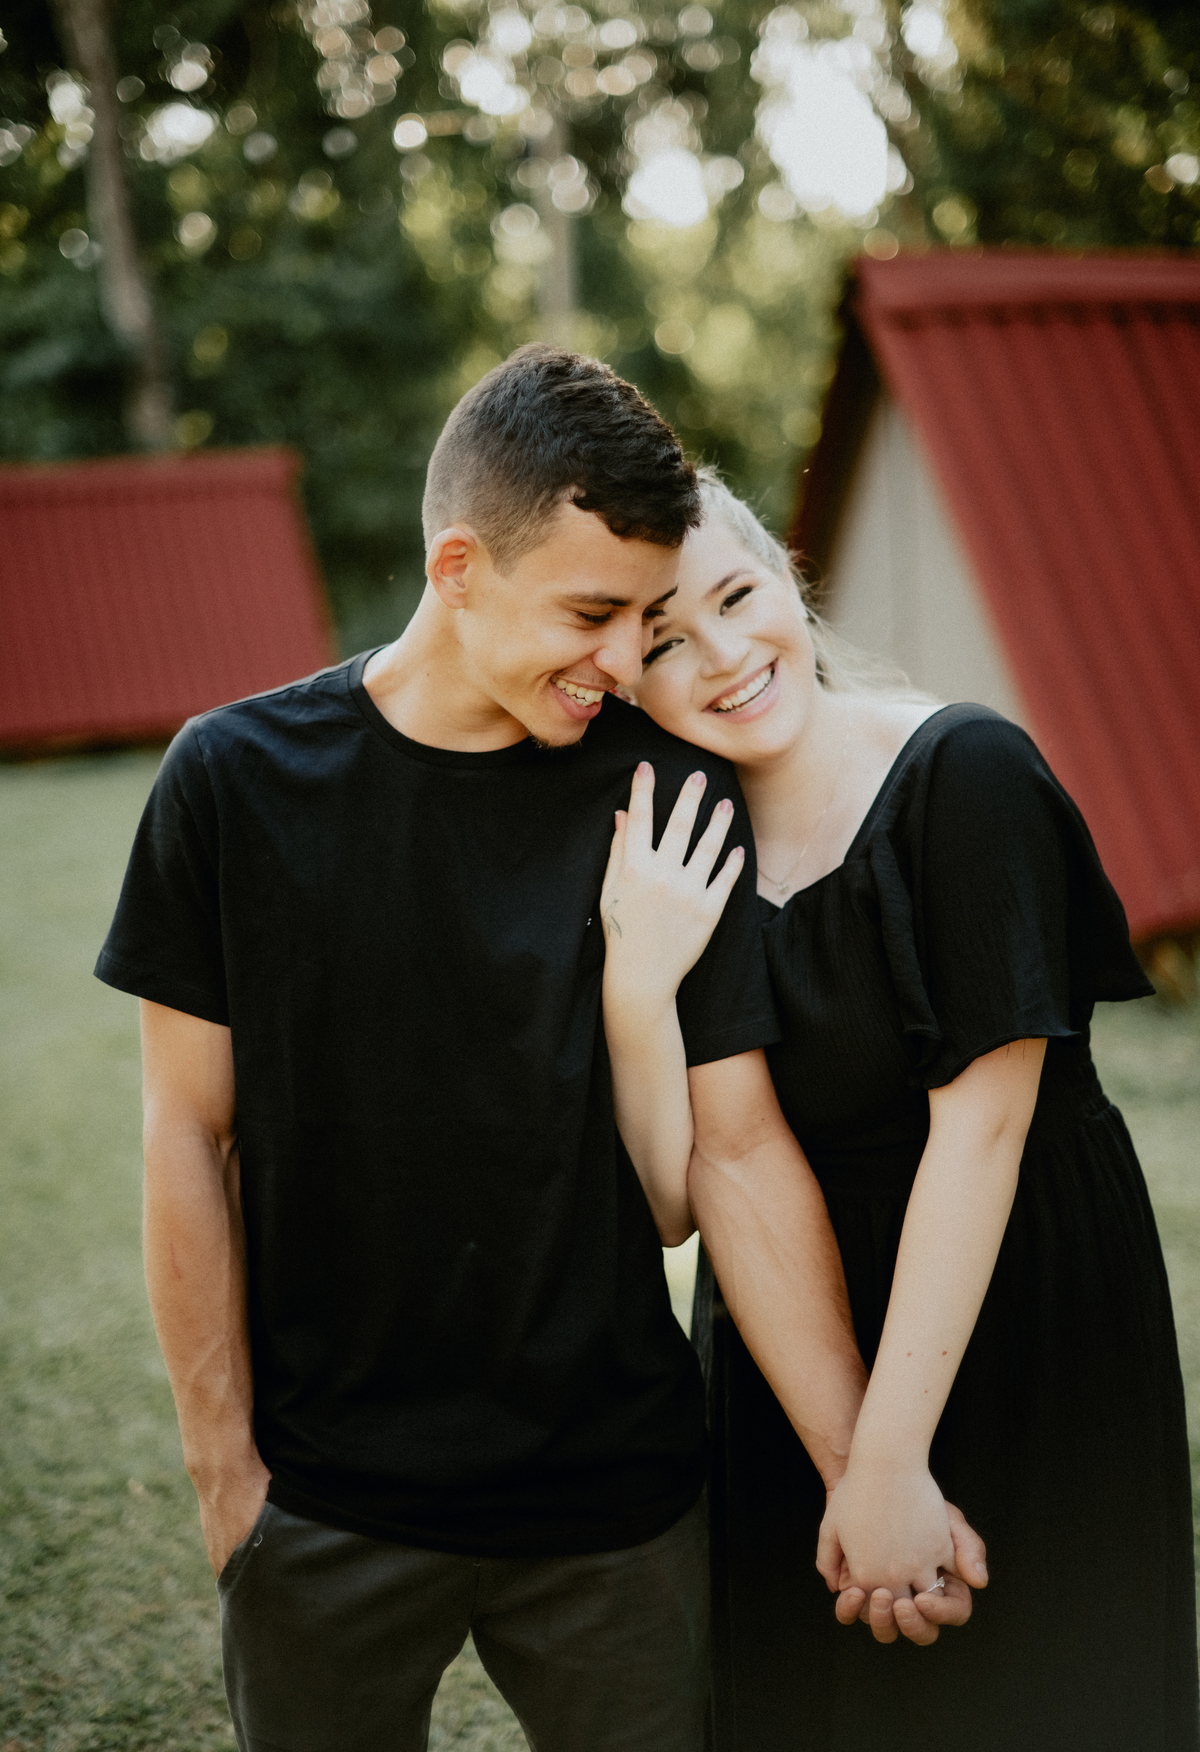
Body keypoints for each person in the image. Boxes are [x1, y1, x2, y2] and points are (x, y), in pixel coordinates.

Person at [94, 349, 893, 1752]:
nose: (624, 662)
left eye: (644, 616)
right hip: (326, 1508)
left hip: (618, 1510)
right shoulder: (230, 782)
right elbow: (186, 1134)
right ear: (457, 566)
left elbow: (736, 1146)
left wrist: (859, 1471)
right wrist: (227, 1480)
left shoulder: (666, 791)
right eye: (590, 613)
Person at [598, 471, 1199, 1751]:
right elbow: (721, 1162)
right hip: (791, 1331)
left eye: (735, 597)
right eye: (662, 641)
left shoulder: (966, 771)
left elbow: (983, 1131)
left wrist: (891, 1466)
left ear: (788, 576)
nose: (722, 656)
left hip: (1011, 1296)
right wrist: (849, 1474)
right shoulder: (678, 841)